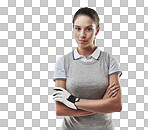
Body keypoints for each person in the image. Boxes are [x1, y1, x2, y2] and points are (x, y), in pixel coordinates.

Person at [52, 7, 122, 130]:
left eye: (88, 29)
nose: (82, 35)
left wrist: (73, 100)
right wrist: (102, 102)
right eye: (77, 28)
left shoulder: (109, 60)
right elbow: (60, 109)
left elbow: (116, 105)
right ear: (73, 28)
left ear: (97, 30)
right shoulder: (63, 62)